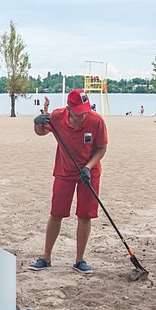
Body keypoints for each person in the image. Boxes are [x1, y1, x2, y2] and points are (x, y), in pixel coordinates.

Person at [29, 89, 108, 274]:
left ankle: (79, 260)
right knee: (56, 213)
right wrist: (36, 123)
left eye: (85, 111)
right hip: (64, 171)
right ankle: (46, 257)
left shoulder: (96, 121)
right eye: (79, 112)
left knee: (85, 215)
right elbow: (40, 132)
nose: (83, 115)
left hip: (89, 172)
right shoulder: (57, 116)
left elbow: (101, 148)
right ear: (69, 108)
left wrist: (88, 167)